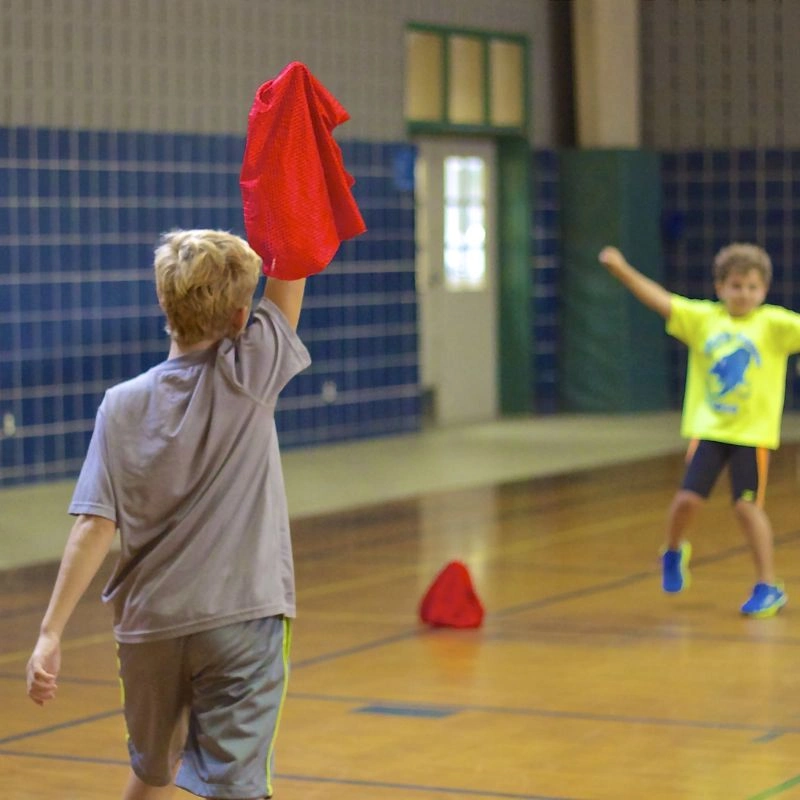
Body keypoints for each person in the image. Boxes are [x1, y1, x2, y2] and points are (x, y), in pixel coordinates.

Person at [26, 229, 310, 800]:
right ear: (238, 318)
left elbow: (94, 526)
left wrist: (49, 632)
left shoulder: (120, 404)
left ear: (164, 302)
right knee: (238, 787)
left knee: (154, 770)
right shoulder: (249, 373)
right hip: (240, 620)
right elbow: (294, 254)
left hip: (148, 631)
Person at [598, 242, 800, 617]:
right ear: (720, 287)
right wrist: (621, 269)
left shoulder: (775, 325)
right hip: (709, 429)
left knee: (746, 507)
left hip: (751, 435)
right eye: (736, 285)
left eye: (752, 287)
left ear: (764, 291)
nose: (744, 294)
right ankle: (673, 550)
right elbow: (660, 300)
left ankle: (767, 585)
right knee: (687, 501)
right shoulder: (703, 319)